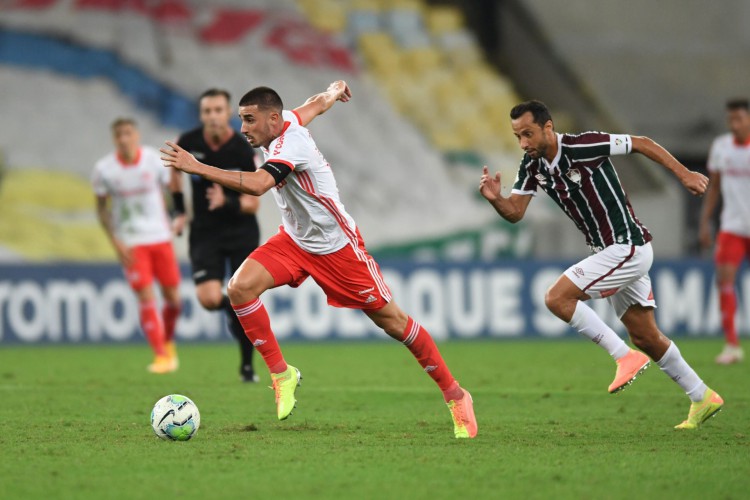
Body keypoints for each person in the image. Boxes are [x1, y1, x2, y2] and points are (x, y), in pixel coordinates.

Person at [161, 81, 478, 439]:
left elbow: (257, 185)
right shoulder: (287, 123)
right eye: (241, 120)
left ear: (272, 119)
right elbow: (314, 104)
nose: (243, 128)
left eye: (249, 120)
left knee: (393, 322)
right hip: (294, 242)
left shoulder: (289, 144)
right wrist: (333, 91)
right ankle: (282, 374)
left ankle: (455, 394)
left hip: (337, 248)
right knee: (240, 288)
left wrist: (197, 166)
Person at [479, 100, 723, 430]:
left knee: (557, 298)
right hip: (606, 252)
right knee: (646, 336)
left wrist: (685, 174)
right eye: (517, 137)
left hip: (628, 246)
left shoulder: (584, 145)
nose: (523, 143)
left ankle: (623, 357)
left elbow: (642, 143)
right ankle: (701, 396)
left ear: (548, 127)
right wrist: (496, 200)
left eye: (528, 134)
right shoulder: (532, 165)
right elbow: (515, 212)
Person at [170, 89, 261, 382]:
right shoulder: (189, 143)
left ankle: (247, 366)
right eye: (207, 111)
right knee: (209, 300)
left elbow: (253, 202)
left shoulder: (243, 149)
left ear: (228, 113)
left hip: (240, 232)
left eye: (218, 110)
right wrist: (179, 212)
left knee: (243, 296)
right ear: (201, 115)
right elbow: (174, 174)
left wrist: (228, 201)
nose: (212, 116)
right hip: (205, 232)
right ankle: (234, 309)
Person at [93, 117, 181, 374]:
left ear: (136, 135)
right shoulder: (104, 170)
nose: (123, 139)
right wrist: (116, 242)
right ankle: (161, 355)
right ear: (114, 138)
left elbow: (172, 189)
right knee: (145, 295)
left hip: (160, 237)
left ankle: (167, 341)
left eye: (128, 133)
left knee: (173, 299)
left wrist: (178, 216)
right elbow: (101, 209)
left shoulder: (153, 160)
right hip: (131, 242)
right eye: (118, 134)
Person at [699, 98, 750, 365]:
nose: (734, 124)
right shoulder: (721, 147)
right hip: (732, 226)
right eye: (731, 119)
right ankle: (732, 345)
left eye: (739, 119)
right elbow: (714, 188)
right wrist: (705, 222)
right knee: (725, 280)